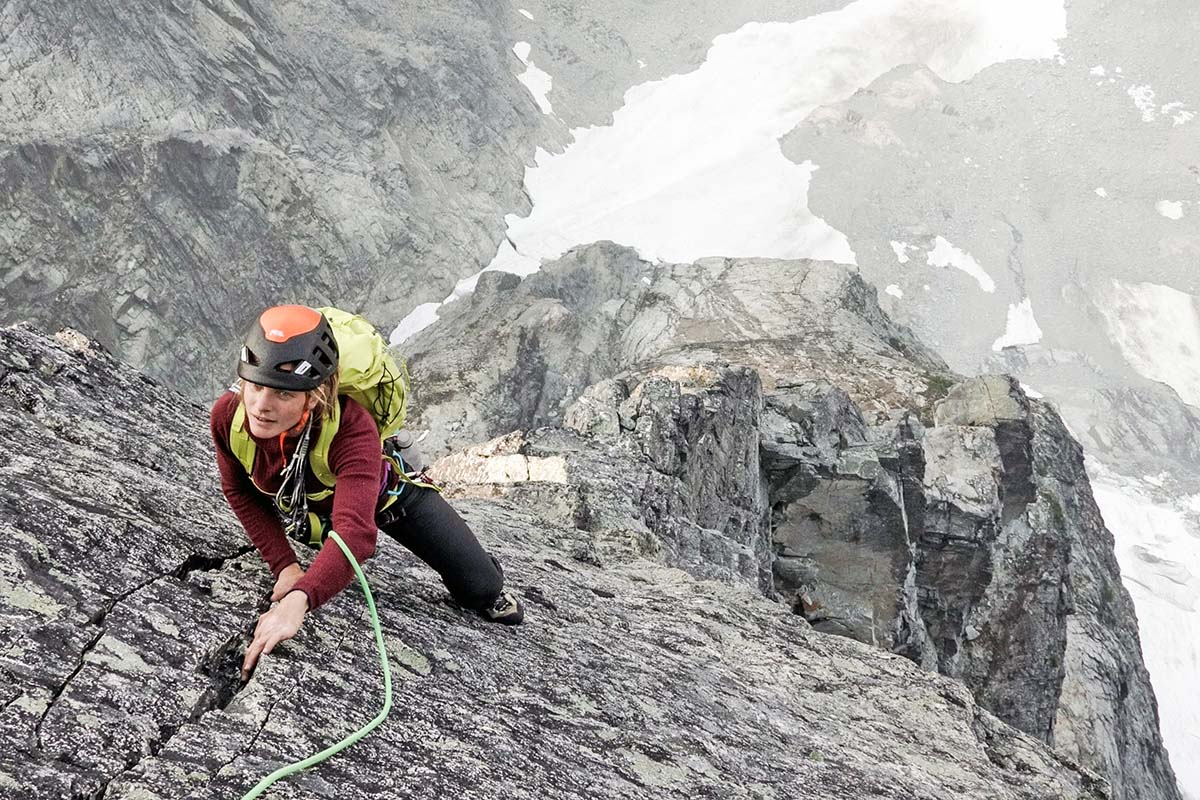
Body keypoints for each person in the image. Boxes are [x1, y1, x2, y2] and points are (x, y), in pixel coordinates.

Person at [209, 305, 523, 681]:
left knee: (481, 586)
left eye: (283, 394)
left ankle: (481, 573)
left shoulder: (352, 430)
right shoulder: (228, 417)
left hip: (387, 498)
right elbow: (239, 490)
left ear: (312, 397)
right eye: (255, 386)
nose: (261, 406)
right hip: (308, 504)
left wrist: (298, 602)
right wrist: (285, 566)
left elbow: (357, 534)